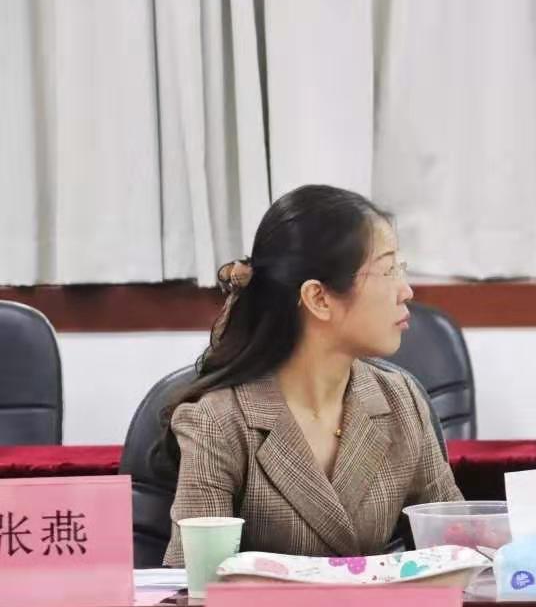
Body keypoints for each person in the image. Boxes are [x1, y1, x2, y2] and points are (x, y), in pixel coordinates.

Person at [154, 185, 462, 567]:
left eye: (401, 268)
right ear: (318, 298)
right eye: (387, 270)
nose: (406, 290)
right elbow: (197, 585)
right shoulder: (219, 421)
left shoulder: (400, 400)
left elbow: (454, 547)